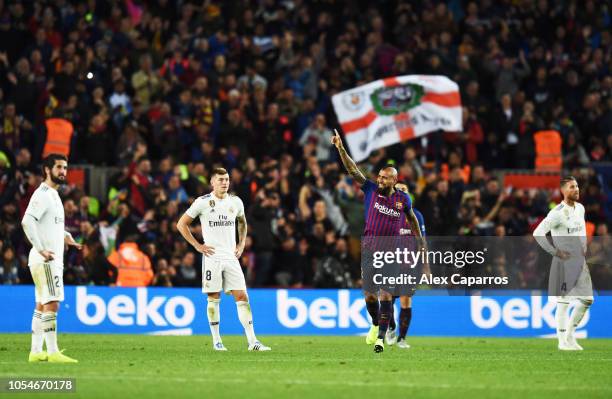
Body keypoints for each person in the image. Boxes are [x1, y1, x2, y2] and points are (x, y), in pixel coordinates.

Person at [331, 130, 422, 353]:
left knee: (385, 293)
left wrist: (420, 242)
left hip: (390, 254)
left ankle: (382, 338)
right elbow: (353, 169)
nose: (380, 179)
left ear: (395, 180)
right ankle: (375, 324)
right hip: (369, 251)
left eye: (385, 177)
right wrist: (341, 148)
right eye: (379, 176)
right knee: (370, 296)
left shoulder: (403, 199)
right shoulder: (370, 189)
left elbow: (412, 220)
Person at [176, 167, 270, 351]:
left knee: (242, 296)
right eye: (220, 180)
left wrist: (241, 244)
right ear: (212, 182)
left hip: (231, 257)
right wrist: (197, 246)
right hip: (212, 257)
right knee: (213, 297)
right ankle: (217, 341)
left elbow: (242, 221)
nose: (224, 182)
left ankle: (253, 342)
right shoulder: (202, 202)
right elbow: (181, 224)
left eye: (227, 179)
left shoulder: (236, 202)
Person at [21, 153, 82, 363]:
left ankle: (36, 351)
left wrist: (65, 236)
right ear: (47, 169)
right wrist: (40, 249)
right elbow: (27, 222)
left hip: (46, 258)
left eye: (65, 167)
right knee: (52, 303)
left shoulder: (54, 195)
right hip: (46, 259)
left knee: (41, 303)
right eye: (58, 167)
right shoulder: (43, 194)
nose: (63, 171)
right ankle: (53, 352)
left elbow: (48, 224)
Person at [533, 176, 593, 351]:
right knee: (564, 301)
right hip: (564, 263)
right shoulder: (557, 213)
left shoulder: (580, 209)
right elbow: (538, 233)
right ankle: (561, 342)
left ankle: (570, 336)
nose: (576, 189)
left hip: (580, 262)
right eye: (572, 187)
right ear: (563, 191)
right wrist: (555, 251)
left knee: (587, 300)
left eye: (577, 186)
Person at [393, 182, 426, 349]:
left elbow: (422, 242)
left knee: (406, 301)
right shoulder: (388, 214)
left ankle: (401, 339)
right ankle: (390, 327)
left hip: (410, 265)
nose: (401, 192)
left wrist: (426, 267)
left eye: (404, 190)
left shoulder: (417, 216)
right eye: (397, 190)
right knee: (387, 299)